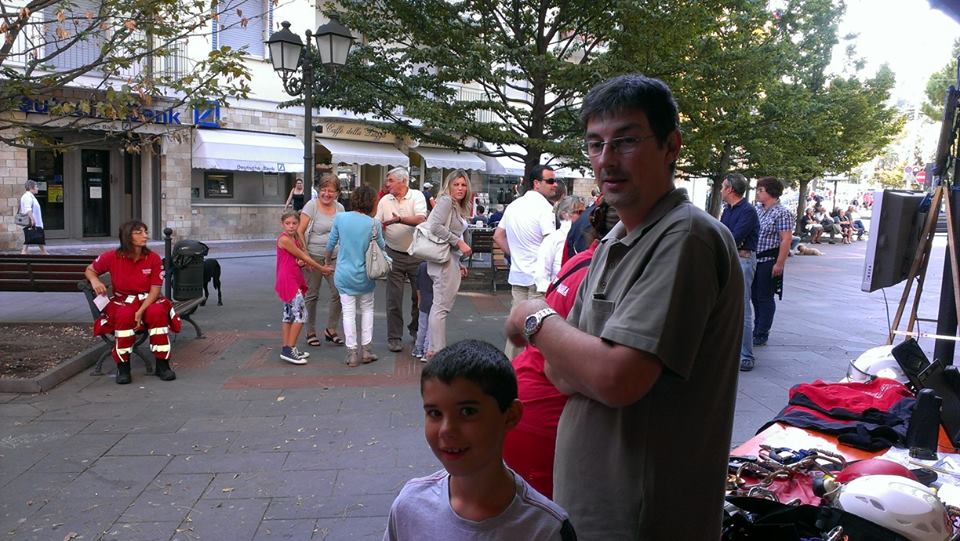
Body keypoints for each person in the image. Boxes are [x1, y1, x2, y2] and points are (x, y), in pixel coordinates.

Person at [504, 74, 742, 539]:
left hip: (644, 518)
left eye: (627, 141)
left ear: (670, 146)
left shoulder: (685, 237)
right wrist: (582, 360)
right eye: (595, 144)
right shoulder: (616, 238)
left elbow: (616, 378)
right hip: (595, 508)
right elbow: (561, 372)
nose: (606, 160)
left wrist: (531, 317)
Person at [384, 339, 576, 541]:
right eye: (434, 413)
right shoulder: (410, 506)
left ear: (510, 416)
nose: (447, 430)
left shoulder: (545, 529)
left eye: (467, 412)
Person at [504, 201, 618, 499]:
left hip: (520, 400)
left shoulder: (578, 262)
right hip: (547, 416)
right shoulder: (606, 280)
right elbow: (572, 375)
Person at [84, 220, 184, 384]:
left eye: (145, 231)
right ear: (127, 236)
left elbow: (155, 290)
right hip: (124, 300)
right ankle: (123, 367)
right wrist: (95, 281)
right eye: (139, 232)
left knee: (157, 312)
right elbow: (90, 270)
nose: (145, 236)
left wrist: (140, 311)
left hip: (148, 299)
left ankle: (162, 364)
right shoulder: (112, 256)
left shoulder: (152, 258)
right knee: (124, 315)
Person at [493, 165, 557, 358]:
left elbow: (498, 236)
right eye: (550, 181)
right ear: (537, 183)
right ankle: (530, 373)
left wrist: (515, 256)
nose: (555, 185)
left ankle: (512, 368)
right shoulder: (545, 208)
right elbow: (551, 241)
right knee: (538, 329)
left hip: (519, 274)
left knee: (518, 328)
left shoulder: (514, 206)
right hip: (539, 278)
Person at [327, 185, 386, 367]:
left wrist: (327, 261)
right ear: (372, 203)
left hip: (344, 273)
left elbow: (331, 243)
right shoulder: (374, 224)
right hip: (365, 275)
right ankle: (366, 350)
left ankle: (352, 353)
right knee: (367, 309)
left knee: (348, 313)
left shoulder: (341, 218)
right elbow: (382, 247)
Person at [375, 167, 428, 353]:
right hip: (393, 254)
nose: (386, 184)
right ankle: (394, 337)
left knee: (418, 297)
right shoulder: (384, 200)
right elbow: (377, 223)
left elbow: (421, 218)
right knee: (393, 299)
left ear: (403, 181)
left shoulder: (417, 196)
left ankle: (415, 331)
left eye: (390, 180)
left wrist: (399, 220)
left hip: (417, 254)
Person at [424, 169, 472, 360]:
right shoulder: (445, 201)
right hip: (442, 260)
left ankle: (433, 349)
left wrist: (458, 260)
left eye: (463, 184)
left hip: (449, 259)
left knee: (439, 306)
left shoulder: (457, 205)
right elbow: (434, 226)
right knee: (441, 307)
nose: (460, 188)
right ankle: (438, 352)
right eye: (456, 184)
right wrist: (458, 242)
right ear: (449, 185)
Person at [275, 210, 329, 365]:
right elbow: (303, 255)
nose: (291, 226)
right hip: (288, 280)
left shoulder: (293, 238)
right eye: (287, 223)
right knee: (301, 314)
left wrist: (301, 263)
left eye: (294, 223)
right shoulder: (285, 239)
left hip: (291, 278)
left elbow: (298, 258)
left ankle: (287, 347)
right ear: (282, 224)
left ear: (298, 224)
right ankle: (289, 349)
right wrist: (321, 268)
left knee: (289, 315)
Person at [298, 174, 345, 348]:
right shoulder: (312, 205)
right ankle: (310, 331)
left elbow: (344, 231)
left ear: (337, 193)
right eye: (323, 190)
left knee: (339, 292)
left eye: (330, 191)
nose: (326, 194)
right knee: (312, 295)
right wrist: (305, 255)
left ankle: (331, 329)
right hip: (313, 255)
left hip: (334, 257)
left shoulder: (340, 208)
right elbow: (299, 231)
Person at [719, 173, 761, 372]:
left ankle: (746, 355)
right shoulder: (728, 210)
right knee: (725, 306)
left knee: (742, 307)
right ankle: (728, 350)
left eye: (722, 186)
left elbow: (732, 237)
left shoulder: (747, 211)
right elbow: (722, 233)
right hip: (731, 257)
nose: (720, 190)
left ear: (730, 189)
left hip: (743, 260)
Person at [753, 176, 793, 348]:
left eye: (761, 190)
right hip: (755, 258)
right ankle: (757, 328)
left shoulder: (782, 212)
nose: (758, 193)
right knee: (754, 296)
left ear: (770, 192)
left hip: (769, 259)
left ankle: (762, 332)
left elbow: (786, 239)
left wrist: (779, 263)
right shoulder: (758, 209)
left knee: (765, 296)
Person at [533, 196, 584, 293]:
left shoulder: (584, 236)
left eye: (584, 212)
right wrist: (558, 292)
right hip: (557, 295)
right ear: (565, 214)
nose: (583, 216)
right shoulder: (553, 239)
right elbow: (541, 273)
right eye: (579, 212)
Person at [20, 180, 48, 255]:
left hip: (35, 221)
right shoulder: (27, 197)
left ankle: (42, 251)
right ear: (31, 188)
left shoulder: (30, 196)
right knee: (36, 236)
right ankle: (43, 252)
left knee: (33, 236)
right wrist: (33, 219)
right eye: (36, 187)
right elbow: (28, 209)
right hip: (32, 221)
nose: (37, 188)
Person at [411, 262, 432, 360]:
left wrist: (419, 299)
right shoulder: (439, 266)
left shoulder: (422, 266)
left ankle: (418, 348)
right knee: (431, 328)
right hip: (435, 301)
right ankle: (427, 349)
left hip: (423, 300)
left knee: (422, 326)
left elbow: (417, 285)